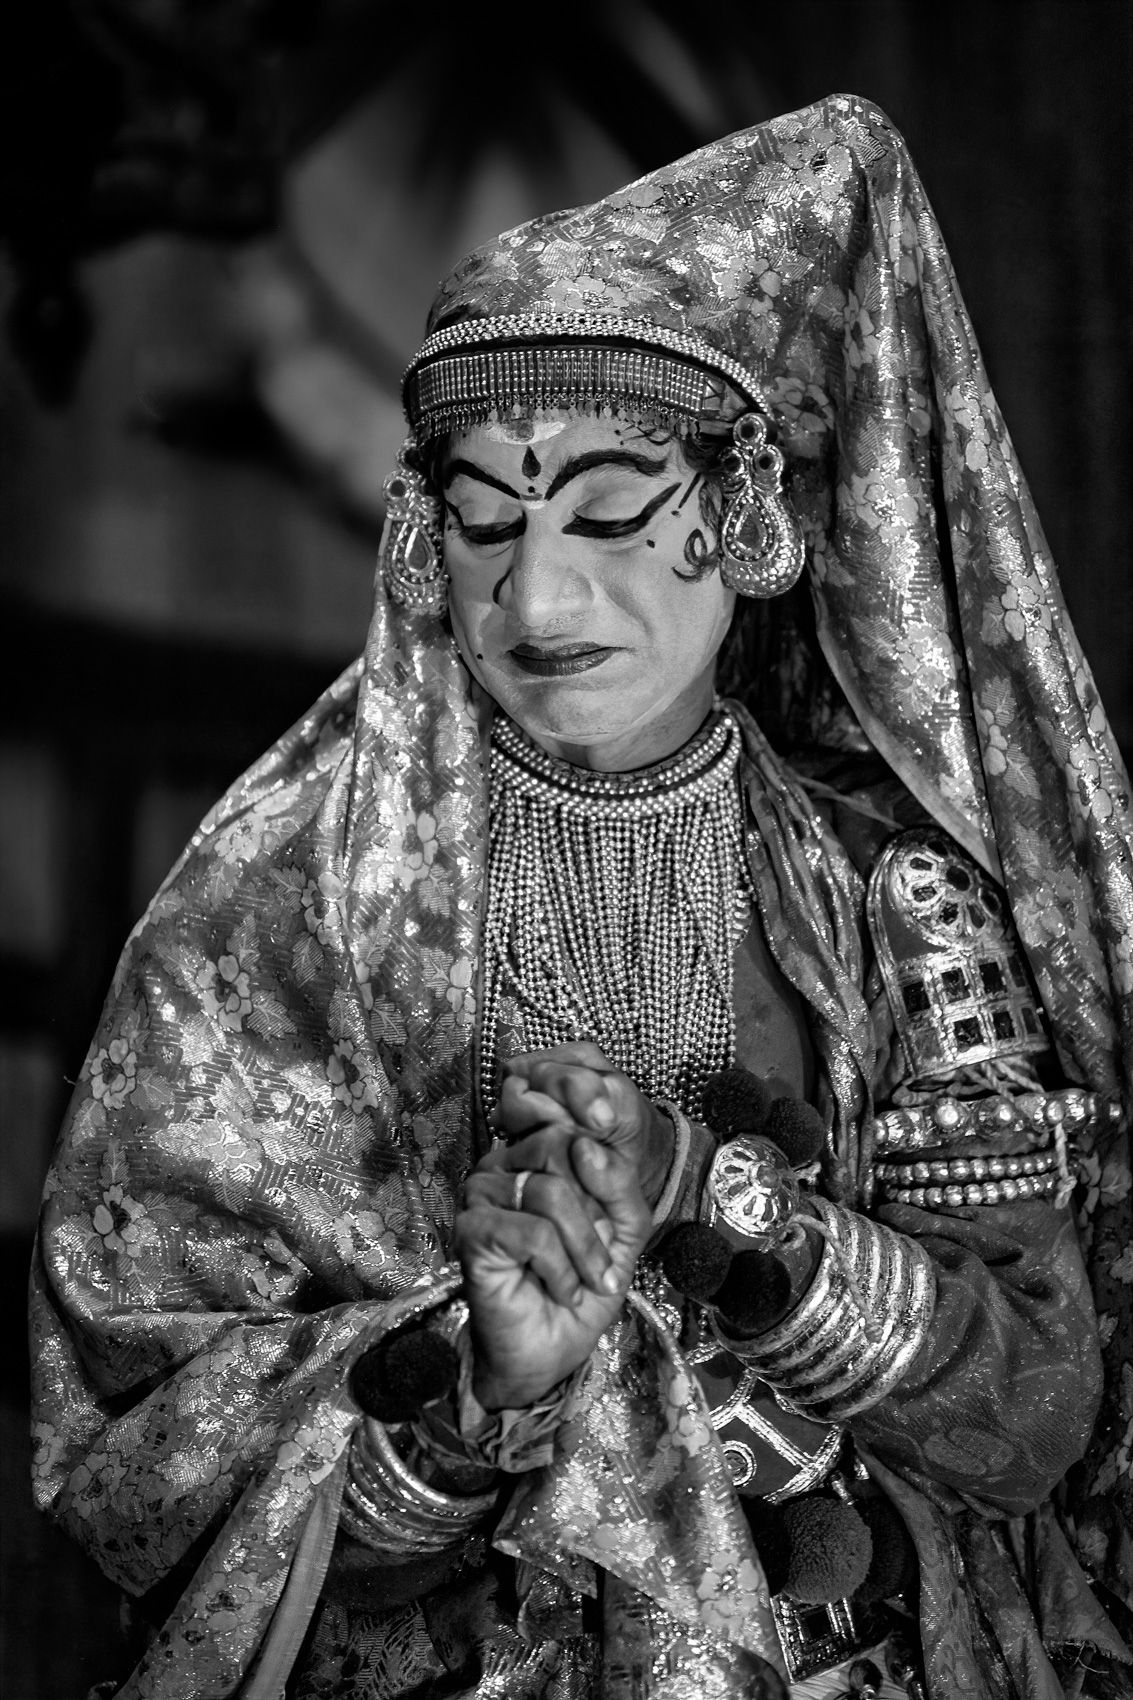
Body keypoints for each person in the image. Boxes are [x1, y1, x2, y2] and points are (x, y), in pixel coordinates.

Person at [29, 93, 1133, 1700]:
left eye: (611, 511)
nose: (538, 594)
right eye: (480, 520)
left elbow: (1035, 1417)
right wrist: (479, 1393)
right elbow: (141, 1464)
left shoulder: (898, 905)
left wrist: (719, 1200)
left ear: (746, 511)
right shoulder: (288, 903)